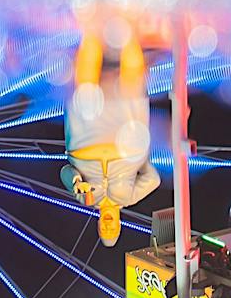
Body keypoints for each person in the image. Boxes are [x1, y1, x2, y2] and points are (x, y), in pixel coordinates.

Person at [62, 19, 159, 246]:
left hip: (85, 138)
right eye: (112, 228)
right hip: (123, 139)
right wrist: (139, 159)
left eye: (103, 229)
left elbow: (66, 172)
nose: (107, 225)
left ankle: (92, 26)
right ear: (118, 223)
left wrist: (76, 182)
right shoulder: (130, 198)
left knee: (85, 86)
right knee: (131, 85)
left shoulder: (86, 199)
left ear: (98, 224)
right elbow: (153, 179)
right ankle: (127, 24)